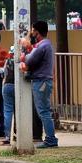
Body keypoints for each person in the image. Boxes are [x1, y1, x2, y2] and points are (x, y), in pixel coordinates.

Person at [21, 20, 57, 148]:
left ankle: (51, 139)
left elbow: (29, 60)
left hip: (41, 81)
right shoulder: (45, 45)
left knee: (43, 111)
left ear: (36, 31)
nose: (31, 32)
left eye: (32, 29)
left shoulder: (42, 46)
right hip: (43, 81)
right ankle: (50, 138)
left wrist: (25, 50)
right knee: (44, 110)